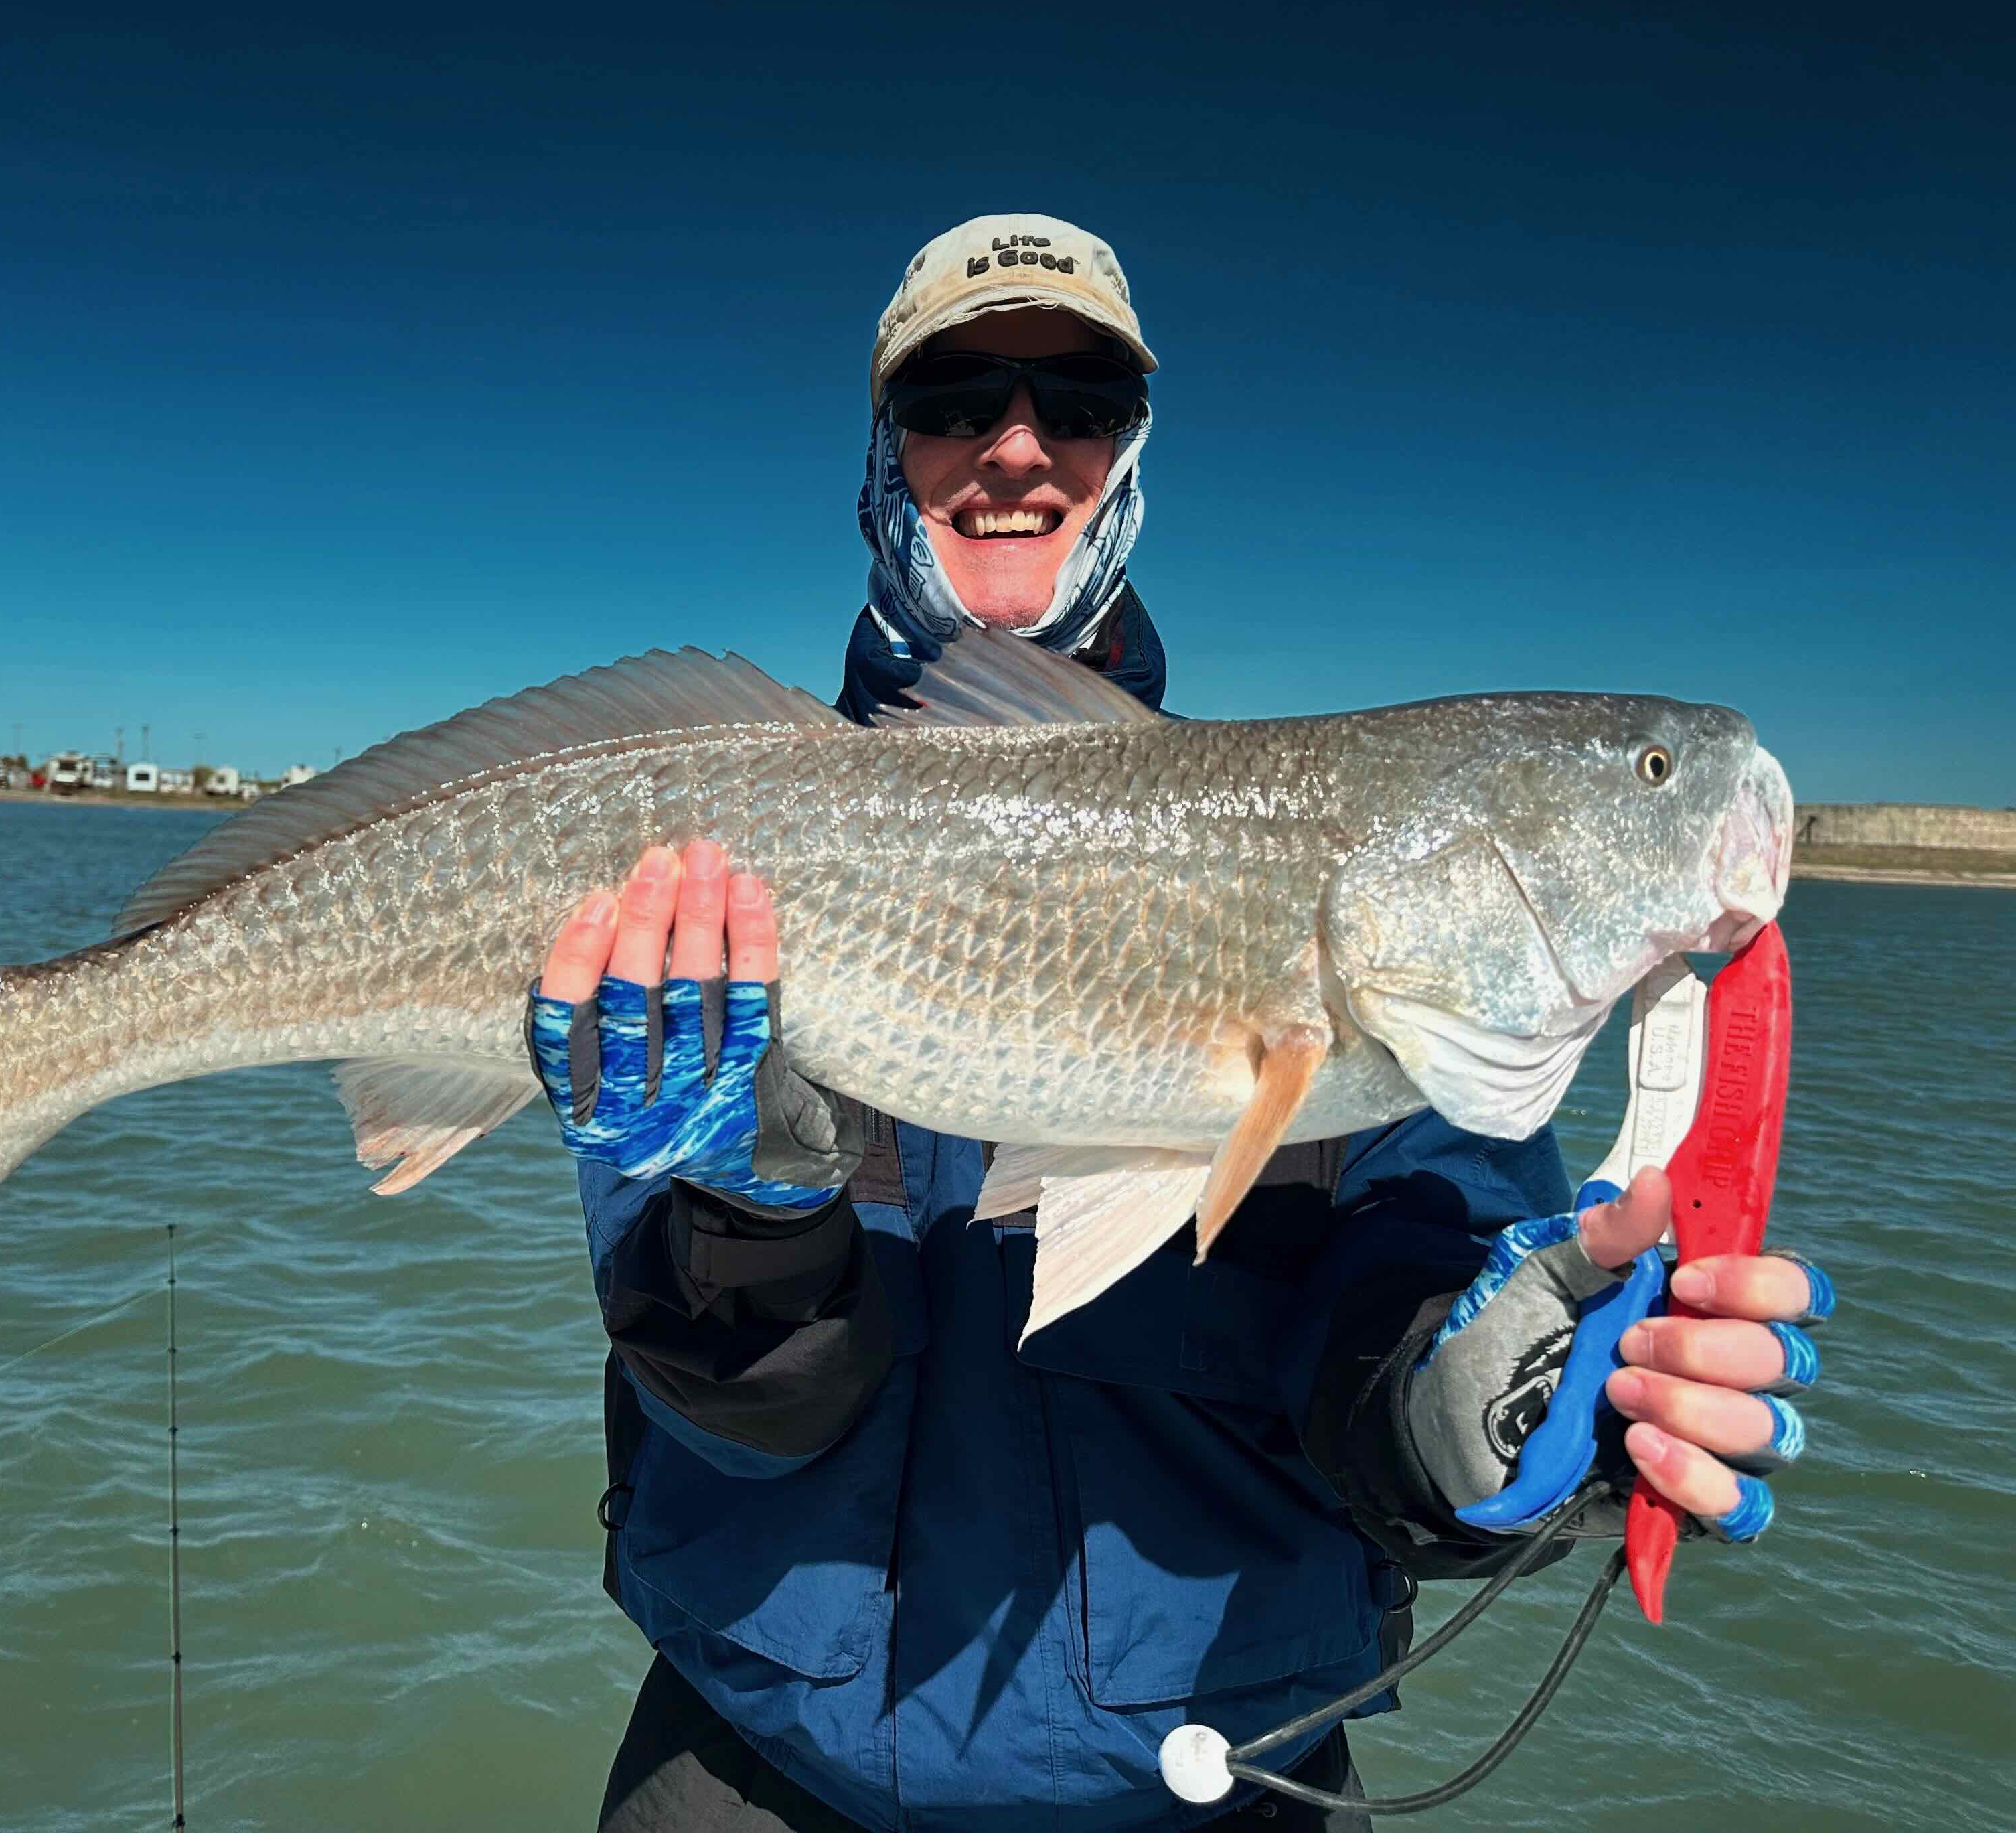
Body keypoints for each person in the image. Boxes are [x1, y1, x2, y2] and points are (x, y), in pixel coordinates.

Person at [524, 215, 1835, 1832]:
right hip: (749, 1766)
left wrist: (1488, 1403)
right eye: (954, 399)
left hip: (1209, 1786)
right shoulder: (710, 862)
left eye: (1077, 405)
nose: (1017, 448)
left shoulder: (1410, 1000)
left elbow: (1407, 1341)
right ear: (886, 454)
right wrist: (742, 1204)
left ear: (1131, 452)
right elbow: (732, 1397)